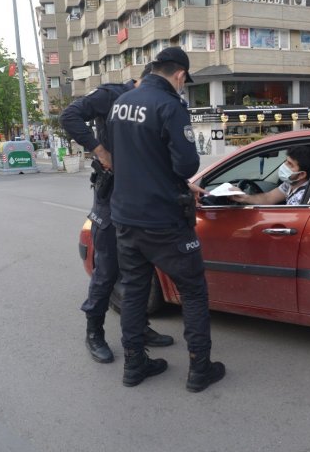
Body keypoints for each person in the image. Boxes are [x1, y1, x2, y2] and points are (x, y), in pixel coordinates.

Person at [108, 47, 225, 392]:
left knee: (133, 291)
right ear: (179, 76)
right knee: (193, 291)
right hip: (163, 220)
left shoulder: (121, 102)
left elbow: (126, 155)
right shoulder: (169, 106)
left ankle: (134, 365)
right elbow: (186, 164)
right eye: (184, 83)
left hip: (125, 217)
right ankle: (199, 368)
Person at [60, 63, 174, 365]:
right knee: (107, 268)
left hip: (141, 198)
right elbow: (69, 116)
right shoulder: (112, 95)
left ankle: (139, 328)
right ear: (144, 80)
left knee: (141, 266)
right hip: (111, 198)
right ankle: (94, 332)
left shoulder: (156, 104)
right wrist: (100, 151)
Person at [230, 146, 310, 206]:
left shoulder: (301, 197)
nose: (284, 165)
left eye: (290, 164)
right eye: (286, 161)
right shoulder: (291, 184)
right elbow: (269, 197)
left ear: (301, 175)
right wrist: (244, 197)